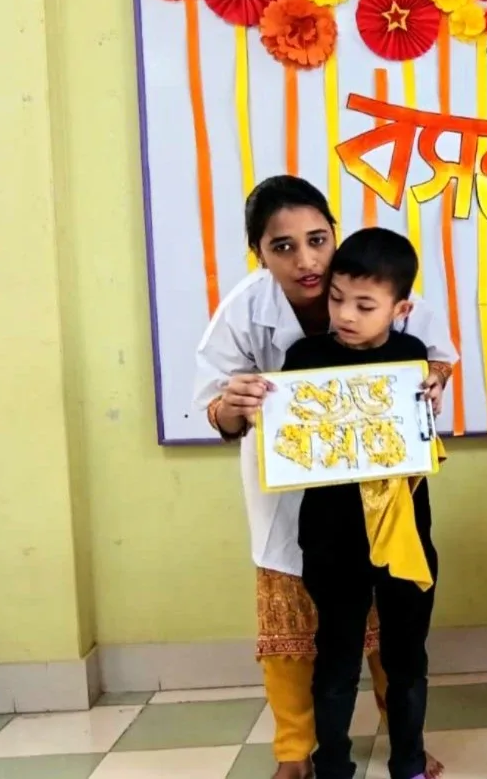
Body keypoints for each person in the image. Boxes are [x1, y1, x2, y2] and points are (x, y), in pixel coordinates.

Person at [192, 175, 455, 779]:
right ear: (259, 253)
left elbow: (434, 359)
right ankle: (297, 753)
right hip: (300, 499)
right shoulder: (248, 312)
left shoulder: (380, 276)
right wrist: (233, 405)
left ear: (334, 233)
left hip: (389, 501)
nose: (307, 261)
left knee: (396, 632)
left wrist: (432, 382)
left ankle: (406, 745)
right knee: (300, 629)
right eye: (282, 246)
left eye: (317, 239)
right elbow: (213, 407)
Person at [283, 228, 441, 779]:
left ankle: (409, 761)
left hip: (403, 534)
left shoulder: (412, 359)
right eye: (336, 299)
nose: (345, 315)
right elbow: (291, 441)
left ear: (401, 309)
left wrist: (429, 400)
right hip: (331, 538)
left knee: (407, 658)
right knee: (336, 659)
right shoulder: (304, 358)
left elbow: (419, 439)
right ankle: (332, 766)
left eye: (365, 305)